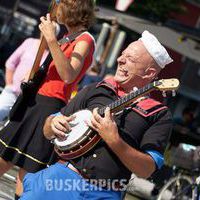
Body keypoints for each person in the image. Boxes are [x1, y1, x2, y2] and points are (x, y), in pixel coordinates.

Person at [19, 30, 174, 200]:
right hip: (59, 178)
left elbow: (146, 169)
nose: (120, 60)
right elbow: (48, 129)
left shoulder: (159, 115)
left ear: (149, 73)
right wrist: (52, 123)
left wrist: (114, 140)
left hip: (103, 194)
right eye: (123, 54)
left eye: (130, 59)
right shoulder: (96, 89)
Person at [0, 0, 95, 199]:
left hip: (48, 107)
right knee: (5, 156)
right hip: (35, 102)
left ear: (73, 8)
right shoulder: (69, 37)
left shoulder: (85, 39)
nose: (56, 9)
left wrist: (52, 40)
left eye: (60, 4)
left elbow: (68, 75)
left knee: (27, 173)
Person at [0, 37, 48, 122]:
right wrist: (9, 84)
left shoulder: (50, 54)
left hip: (27, 100)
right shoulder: (30, 42)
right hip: (12, 92)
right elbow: (11, 63)